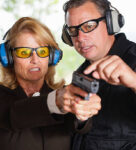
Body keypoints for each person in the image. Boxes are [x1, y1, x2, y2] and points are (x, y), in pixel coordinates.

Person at [0, 17, 101, 150]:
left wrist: (82, 111)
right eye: (24, 52)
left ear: (52, 56)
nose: (35, 59)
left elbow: (78, 127)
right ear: (9, 57)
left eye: (42, 52)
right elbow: (14, 115)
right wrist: (55, 102)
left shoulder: (64, 95)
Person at [61, 0, 136, 149]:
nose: (80, 38)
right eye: (73, 30)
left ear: (111, 23)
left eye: (89, 26)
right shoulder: (82, 72)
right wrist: (81, 117)